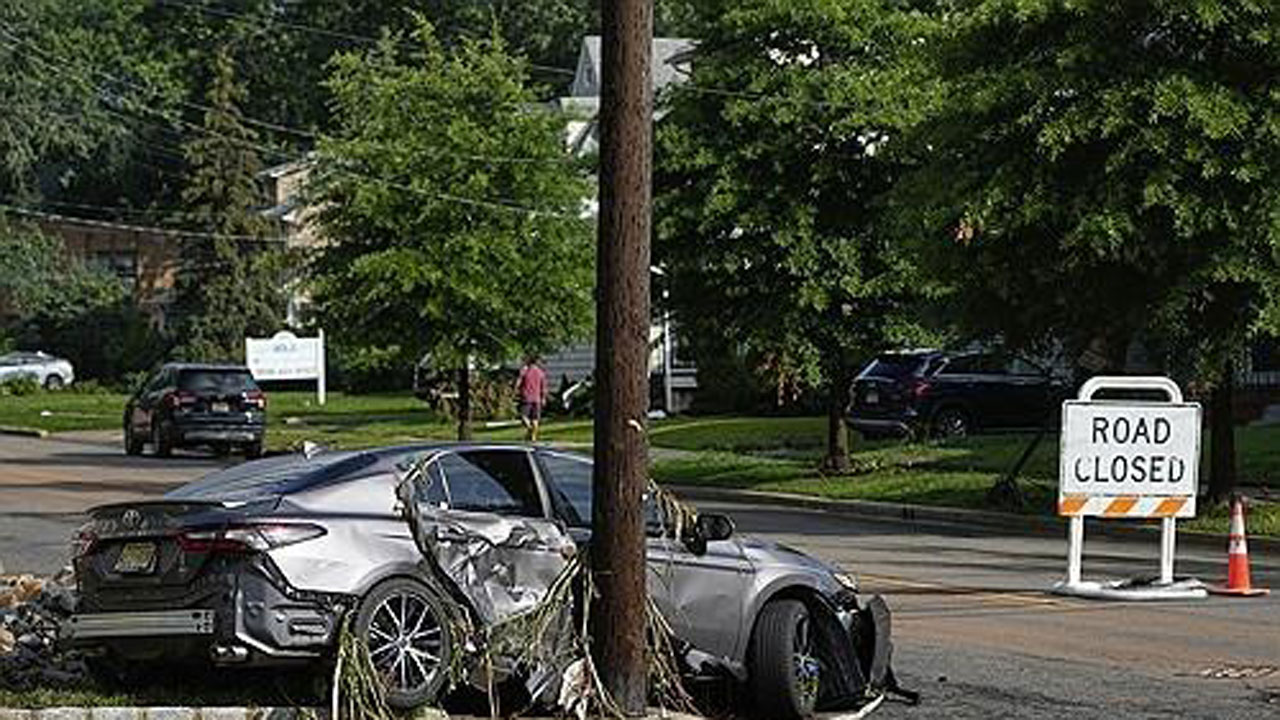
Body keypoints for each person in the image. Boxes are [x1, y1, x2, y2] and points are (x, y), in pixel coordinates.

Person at [515, 355, 548, 442]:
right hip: (537, 399)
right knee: (535, 419)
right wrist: (543, 398)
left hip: (526, 397)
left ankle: (530, 429)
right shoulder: (541, 372)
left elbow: (518, 383)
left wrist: (516, 391)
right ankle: (533, 437)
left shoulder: (525, 371)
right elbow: (544, 387)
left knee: (523, 416)